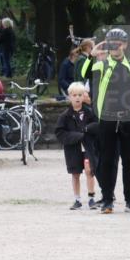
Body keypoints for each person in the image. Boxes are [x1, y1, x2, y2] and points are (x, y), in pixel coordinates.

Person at [88, 28, 130, 214]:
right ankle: (107, 200)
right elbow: (84, 75)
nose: (115, 46)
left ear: (125, 45)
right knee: (108, 160)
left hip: (128, 118)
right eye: (111, 42)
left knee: (129, 161)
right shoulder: (101, 65)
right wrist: (91, 57)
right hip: (107, 119)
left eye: (118, 43)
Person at [54, 82, 100, 211]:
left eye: (80, 95)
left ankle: (91, 198)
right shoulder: (64, 116)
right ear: (70, 97)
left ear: (84, 96)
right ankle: (77, 199)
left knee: (89, 170)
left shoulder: (90, 113)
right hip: (72, 148)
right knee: (75, 174)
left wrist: (87, 130)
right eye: (74, 95)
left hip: (88, 147)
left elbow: (97, 126)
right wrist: (77, 136)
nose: (77, 98)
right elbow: (60, 133)